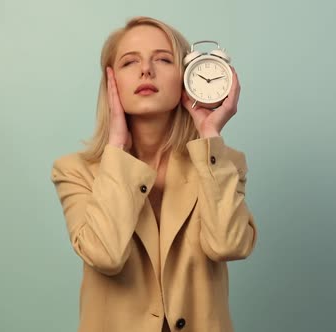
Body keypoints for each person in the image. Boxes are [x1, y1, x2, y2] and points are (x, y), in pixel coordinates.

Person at [50, 16, 257, 332]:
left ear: (187, 77)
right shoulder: (75, 171)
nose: (146, 70)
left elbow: (228, 245)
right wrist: (116, 149)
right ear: (111, 82)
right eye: (130, 62)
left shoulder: (222, 162)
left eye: (163, 59)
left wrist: (209, 136)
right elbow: (105, 255)